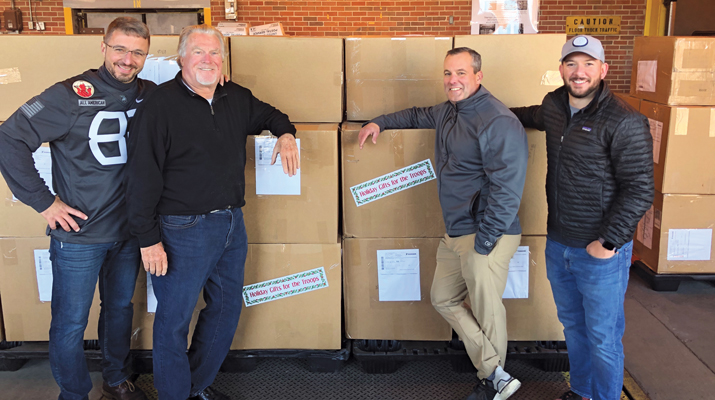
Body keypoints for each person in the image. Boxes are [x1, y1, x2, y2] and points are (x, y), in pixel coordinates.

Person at [124, 24, 299, 400]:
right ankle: (174, 395)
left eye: (215, 53)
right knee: (173, 322)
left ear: (224, 61)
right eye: (199, 52)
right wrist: (148, 239)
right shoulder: (159, 106)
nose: (208, 60)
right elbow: (140, 177)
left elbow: (273, 115)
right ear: (181, 58)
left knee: (225, 310)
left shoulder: (235, 97)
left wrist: (285, 134)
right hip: (181, 229)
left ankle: (195, 386)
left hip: (232, 224)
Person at [359, 47, 528, 400]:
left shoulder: (497, 120)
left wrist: (485, 242)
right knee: (442, 297)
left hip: (485, 232)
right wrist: (381, 122)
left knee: (487, 310)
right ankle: (495, 372)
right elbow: (418, 114)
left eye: (461, 73)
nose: (453, 81)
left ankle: (492, 381)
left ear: (478, 76)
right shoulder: (450, 111)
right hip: (455, 230)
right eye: (448, 74)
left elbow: (508, 188)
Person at [0, 17, 154, 400]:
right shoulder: (70, 94)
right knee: (70, 323)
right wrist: (44, 201)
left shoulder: (150, 94)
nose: (127, 59)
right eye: (120, 49)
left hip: (130, 233)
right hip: (79, 236)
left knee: (119, 310)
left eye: (137, 52)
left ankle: (116, 380)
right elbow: (8, 138)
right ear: (103, 47)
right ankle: (74, 394)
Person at [510, 35, 654, 400]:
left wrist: (608, 242)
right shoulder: (554, 106)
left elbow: (639, 190)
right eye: (572, 64)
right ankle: (582, 391)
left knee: (603, 337)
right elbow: (531, 116)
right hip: (558, 243)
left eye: (589, 64)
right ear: (561, 69)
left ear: (603, 70)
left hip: (599, 252)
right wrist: (490, 113)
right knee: (573, 327)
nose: (579, 72)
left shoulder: (624, 121)